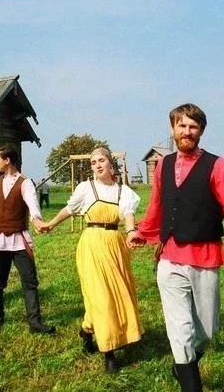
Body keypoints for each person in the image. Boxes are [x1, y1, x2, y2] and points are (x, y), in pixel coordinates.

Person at [126, 103, 224, 392]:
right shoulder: (163, 166)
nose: (187, 131)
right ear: (173, 129)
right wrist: (143, 232)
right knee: (179, 329)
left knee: (206, 330)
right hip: (169, 258)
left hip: (205, 256)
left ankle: (182, 363)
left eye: (193, 126)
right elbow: (158, 205)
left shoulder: (217, 166)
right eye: (182, 125)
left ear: (201, 131)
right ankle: (189, 378)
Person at [42, 147, 143, 373]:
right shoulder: (86, 188)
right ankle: (108, 352)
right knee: (101, 295)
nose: (97, 165)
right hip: (92, 244)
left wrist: (130, 232)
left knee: (117, 293)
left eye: (101, 160)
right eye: (93, 162)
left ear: (110, 164)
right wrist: (50, 224)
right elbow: (69, 209)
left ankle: (87, 330)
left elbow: (128, 215)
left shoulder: (123, 191)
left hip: (115, 245)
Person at [0, 143, 55, 334]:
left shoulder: (25, 183)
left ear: (7, 160)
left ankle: (35, 323)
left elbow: (32, 203)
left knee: (30, 281)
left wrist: (37, 220)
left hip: (20, 240)